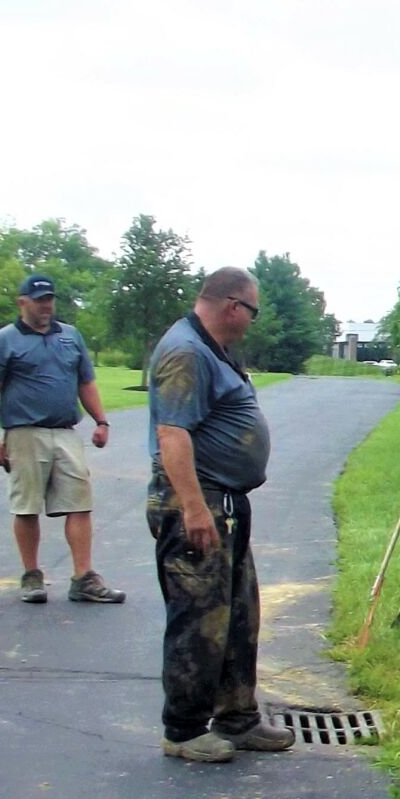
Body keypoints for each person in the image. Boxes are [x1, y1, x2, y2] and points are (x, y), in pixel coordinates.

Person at [146, 267, 291, 763]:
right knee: (199, 618)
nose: (252, 322)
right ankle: (184, 729)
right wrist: (192, 507)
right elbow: (172, 435)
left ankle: (237, 717)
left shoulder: (213, 349)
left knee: (238, 613)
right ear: (233, 306)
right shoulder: (186, 352)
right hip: (195, 500)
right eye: (252, 312)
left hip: (224, 501)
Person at [0, 274, 124, 604]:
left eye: (49, 299)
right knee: (27, 506)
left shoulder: (70, 337)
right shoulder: (5, 340)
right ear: (22, 303)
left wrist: (101, 420)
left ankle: (83, 578)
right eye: (39, 300)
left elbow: (85, 382)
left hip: (65, 432)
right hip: (24, 433)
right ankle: (32, 576)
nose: (46, 305)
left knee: (80, 503)